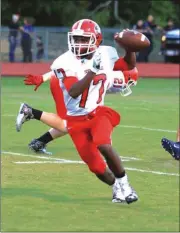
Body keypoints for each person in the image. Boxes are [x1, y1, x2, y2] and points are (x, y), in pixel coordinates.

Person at [16, 19, 139, 204]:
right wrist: (93, 70)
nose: (79, 43)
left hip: (98, 113)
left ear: (96, 39)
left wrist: (131, 49)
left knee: (103, 144)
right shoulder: (63, 61)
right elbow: (74, 92)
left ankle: (126, 185)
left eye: (83, 39)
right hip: (75, 121)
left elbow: (127, 66)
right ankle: (116, 187)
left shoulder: (106, 52)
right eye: (76, 39)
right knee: (97, 168)